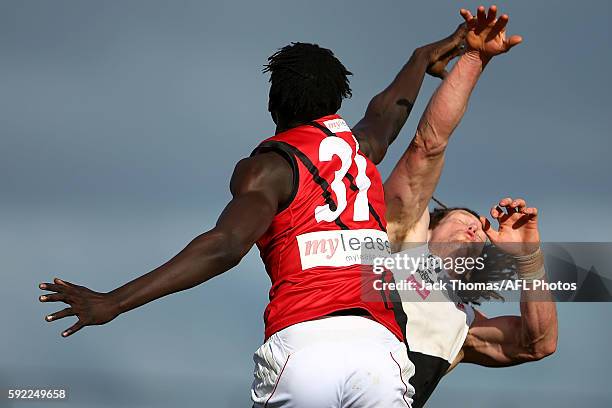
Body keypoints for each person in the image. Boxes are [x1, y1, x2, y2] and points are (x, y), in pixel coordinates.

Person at [38, 17, 469, 407]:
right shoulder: (360, 151)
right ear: (336, 103)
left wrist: (114, 302)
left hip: (305, 346)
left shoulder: (270, 168)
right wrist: (423, 57)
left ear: (273, 106)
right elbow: (388, 111)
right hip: (379, 350)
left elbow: (225, 246)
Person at [383, 6, 558, 408]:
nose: (480, 230)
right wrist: (474, 59)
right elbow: (428, 147)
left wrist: (528, 257)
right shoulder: (400, 246)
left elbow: (538, 344)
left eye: (485, 234)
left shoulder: (462, 326)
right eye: (468, 219)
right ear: (429, 224)